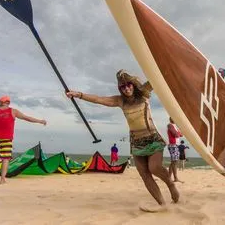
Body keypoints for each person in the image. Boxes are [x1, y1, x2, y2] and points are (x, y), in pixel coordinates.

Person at [66, 70, 179, 212]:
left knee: (154, 167)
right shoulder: (120, 101)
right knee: (144, 174)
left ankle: (171, 185)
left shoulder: (144, 92)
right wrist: (79, 95)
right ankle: (162, 205)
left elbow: (158, 76)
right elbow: (98, 99)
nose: (126, 89)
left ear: (132, 84)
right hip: (136, 142)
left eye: (128, 85)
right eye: (123, 87)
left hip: (153, 138)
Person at [0, 96, 47, 184]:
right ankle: (2, 180)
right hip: (6, 139)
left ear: (1, 102)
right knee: (5, 159)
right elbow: (27, 118)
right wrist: (40, 121)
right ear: (8, 102)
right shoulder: (13, 111)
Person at [167, 117, 183, 182]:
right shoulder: (170, 125)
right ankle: (175, 178)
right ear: (171, 119)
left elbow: (181, 135)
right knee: (174, 161)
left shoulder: (174, 126)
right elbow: (176, 134)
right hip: (173, 145)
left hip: (176, 145)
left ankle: (168, 177)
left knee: (174, 161)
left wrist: (178, 133)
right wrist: (178, 133)